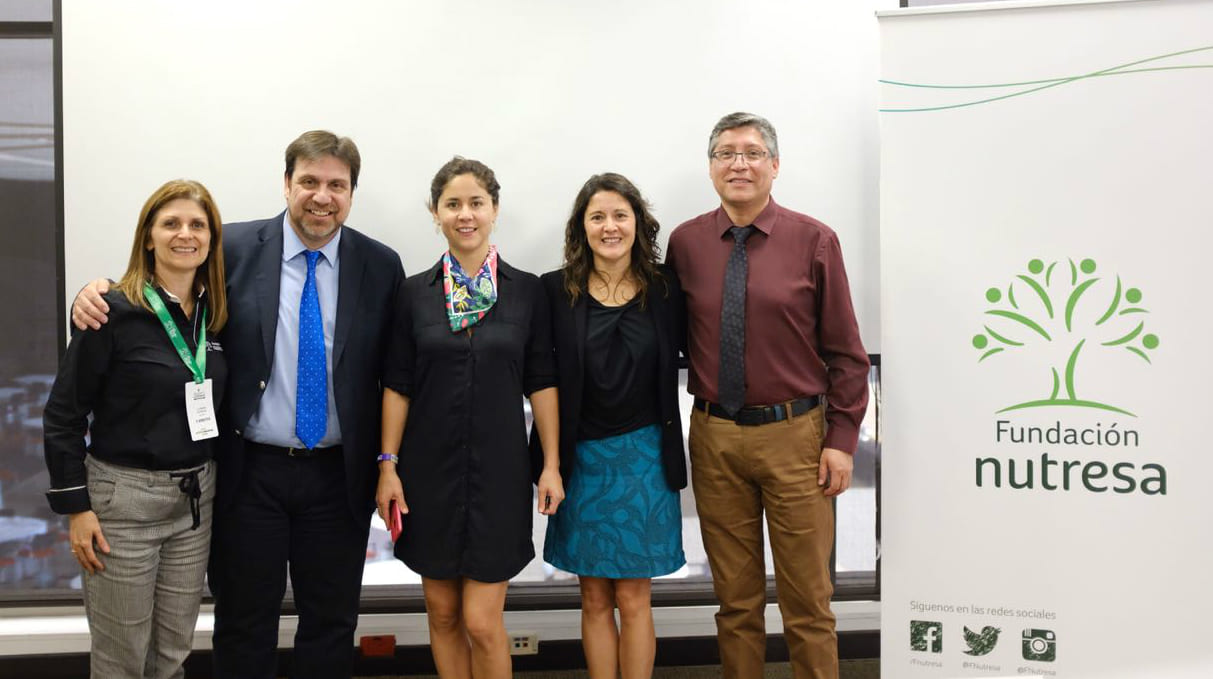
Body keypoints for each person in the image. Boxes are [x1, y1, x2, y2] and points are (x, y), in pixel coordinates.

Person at [71, 131, 405, 679]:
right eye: (309, 182)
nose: (322, 197)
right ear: (286, 184)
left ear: (351, 193)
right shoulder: (232, 249)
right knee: (245, 622)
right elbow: (159, 297)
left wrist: (389, 464)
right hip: (250, 474)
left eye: (337, 185)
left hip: (338, 477)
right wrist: (92, 295)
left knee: (331, 623)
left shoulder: (380, 265)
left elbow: (397, 370)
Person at [665, 112, 870, 679]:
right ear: (711, 167)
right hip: (714, 437)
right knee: (735, 604)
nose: (739, 164)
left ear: (775, 166)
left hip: (796, 439)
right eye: (726, 153)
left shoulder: (814, 240)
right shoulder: (685, 243)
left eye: (753, 153)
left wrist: (841, 440)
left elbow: (847, 353)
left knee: (808, 604)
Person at [376, 156, 562, 679]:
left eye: (476, 203)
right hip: (427, 475)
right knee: (442, 614)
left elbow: (542, 382)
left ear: (494, 209)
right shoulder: (413, 294)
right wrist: (388, 465)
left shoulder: (527, 291)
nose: (465, 214)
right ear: (435, 213)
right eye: (452, 204)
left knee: (481, 622)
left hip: (498, 476)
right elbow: (398, 385)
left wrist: (550, 464)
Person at [45, 179, 228, 679]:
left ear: (211, 239)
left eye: (197, 225)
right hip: (122, 506)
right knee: (121, 660)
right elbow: (62, 415)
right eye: (171, 223)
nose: (185, 234)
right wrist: (76, 508)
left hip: (194, 503)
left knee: (172, 654)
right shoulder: (111, 310)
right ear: (148, 236)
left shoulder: (214, 315)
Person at [535, 173, 687, 679]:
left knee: (635, 596)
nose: (609, 227)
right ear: (582, 226)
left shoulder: (666, 289)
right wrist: (549, 464)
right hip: (581, 461)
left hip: (646, 459)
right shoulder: (554, 290)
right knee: (594, 596)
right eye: (597, 216)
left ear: (638, 223)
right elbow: (544, 379)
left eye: (620, 215)